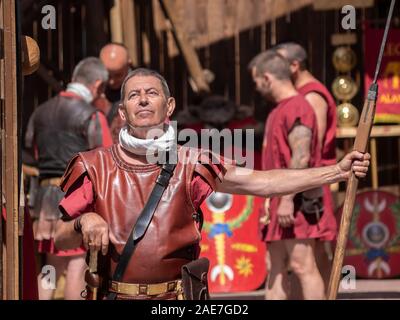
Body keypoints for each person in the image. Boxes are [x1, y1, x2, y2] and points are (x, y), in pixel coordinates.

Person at [54, 68, 370, 300]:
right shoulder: (92, 165)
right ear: (122, 112)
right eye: (133, 95)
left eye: (152, 93)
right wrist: (84, 221)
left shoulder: (193, 162)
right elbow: (62, 238)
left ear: (169, 107)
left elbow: (262, 183)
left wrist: (337, 172)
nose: (143, 100)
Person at [25, 57, 113, 300]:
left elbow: (31, 152)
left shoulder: (40, 111)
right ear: (97, 85)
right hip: (75, 201)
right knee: (77, 265)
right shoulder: (94, 116)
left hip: (45, 202)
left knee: (50, 268)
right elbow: (105, 162)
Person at [249, 50, 333, 299]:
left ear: (267, 77)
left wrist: (286, 199)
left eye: (256, 81)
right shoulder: (278, 110)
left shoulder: (298, 107)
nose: (257, 87)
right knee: (273, 268)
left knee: (302, 266)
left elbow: (302, 156)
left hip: (295, 203)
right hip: (278, 202)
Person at [274, 42, 337, 298]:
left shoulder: (311, 97)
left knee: (309, 260)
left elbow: (311, 148)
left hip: (308, 186)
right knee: (307, 259)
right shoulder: (299, 94)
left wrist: (292, 194)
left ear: (294, 65)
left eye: (279, 64)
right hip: (301, 184)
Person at [97, 43, 132, 142]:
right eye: (107, 75)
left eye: (118, 75)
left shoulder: (141, 89)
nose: (111, 81)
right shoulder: (94, 89)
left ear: (128, 64)